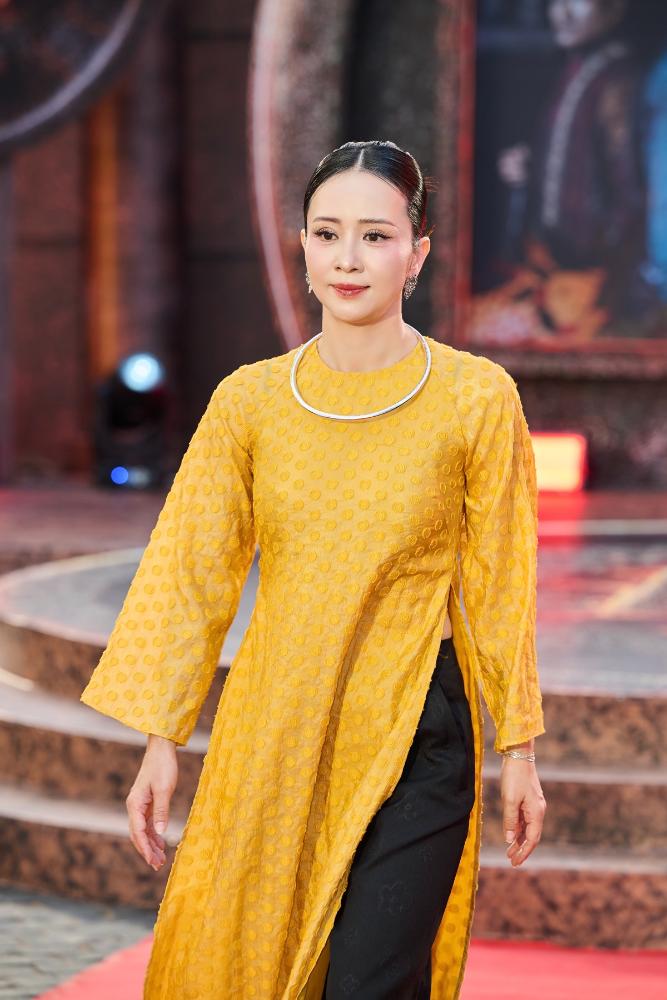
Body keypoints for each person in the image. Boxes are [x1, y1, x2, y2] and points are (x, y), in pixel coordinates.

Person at [80, 139, 547, 999]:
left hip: (419, 729)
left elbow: (499, 582)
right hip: (277, 723)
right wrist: (159, 742)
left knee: (371, 980)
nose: (347, 258)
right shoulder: (250, 401)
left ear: (417, 253)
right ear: (301, 246)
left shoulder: (475, 398)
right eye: (327, 233)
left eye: (375, 236)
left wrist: (516, 745)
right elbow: (190, 571)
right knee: (251, 967)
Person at [497, 0, 650, 330]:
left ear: (615, 8)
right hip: (553, 266)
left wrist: (607, 270)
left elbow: (631, 190)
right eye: (554, 1)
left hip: (591, 279)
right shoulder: (577, 68)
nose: (559, 12)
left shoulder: (619, 79)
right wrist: (533, 166)